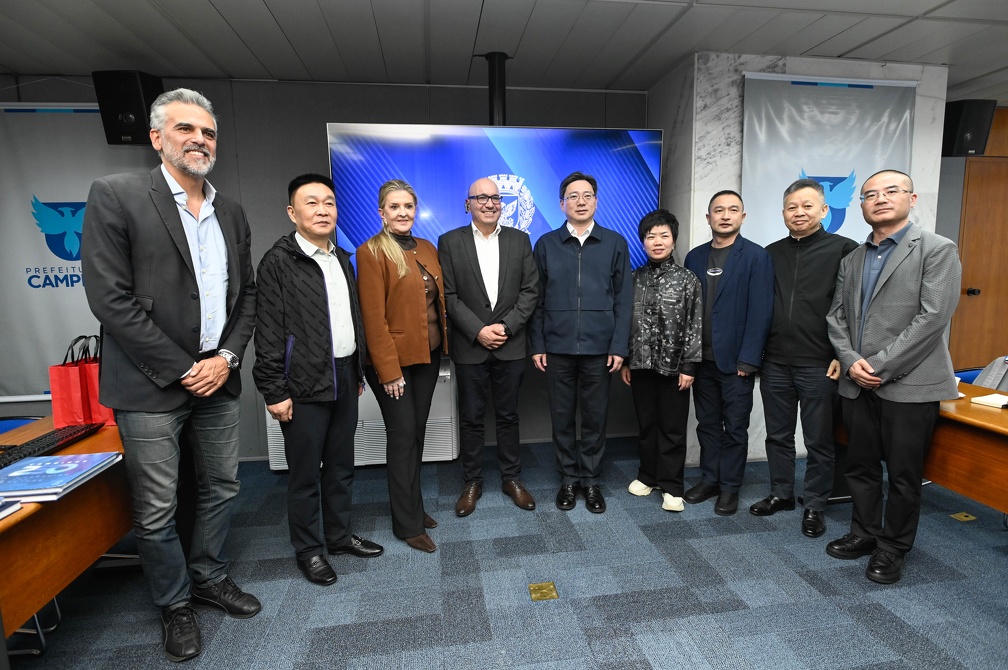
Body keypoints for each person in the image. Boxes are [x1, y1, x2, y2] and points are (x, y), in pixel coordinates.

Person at [81, 88, 259, 662]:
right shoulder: (117, 194)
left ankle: (207, 574)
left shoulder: (229, 210)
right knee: (156, 507)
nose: (199, 140)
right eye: (186, 129)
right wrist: (185, 368)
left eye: (208, 132)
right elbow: (110, 299)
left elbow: (247, 296)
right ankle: (175, 602)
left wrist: (226, 359)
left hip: (219, 375)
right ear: (157, 137)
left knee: (223, 487)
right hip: (150, 385)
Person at [826, 169, 961, 584]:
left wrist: (879, 367)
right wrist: (851, 362)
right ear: (861, 205)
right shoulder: (852, 258)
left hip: (909, 383)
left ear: (912, 198)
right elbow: (836, 317)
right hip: (856, 381)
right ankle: (864, 532)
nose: (879, 199)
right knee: (861, 466)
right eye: (870, 195)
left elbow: (933, 317)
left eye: (891, 191)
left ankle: (893, 547)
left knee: (903, 474)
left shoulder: (937, 249)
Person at [253, 174, 383, 587]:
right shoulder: (278, 262)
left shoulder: (342, 258)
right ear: (293, 213)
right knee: (306, 473)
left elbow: (353, 320)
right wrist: (274, 390)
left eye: (329, 202)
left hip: (345, 376)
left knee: (342, 465)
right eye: (311, 203)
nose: (323, 209)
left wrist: (359, 368)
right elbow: (268, 329)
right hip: (301, 383)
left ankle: (339, 536)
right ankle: (309, 550)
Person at [751, 179, 858, 537]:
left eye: (807, 206)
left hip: (820, 363)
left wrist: (841, 355)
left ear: (824, 210)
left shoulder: (845, 250)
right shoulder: (770, 253)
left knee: (818, 440)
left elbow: (855, 310)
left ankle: (814, 504)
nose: (799, 212)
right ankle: (781, 493)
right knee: (778, 436)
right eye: (792, 207)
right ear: (783, 213)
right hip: (775, 362)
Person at [529, 171, 632, 514]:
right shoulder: (545, 244)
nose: (580, 201)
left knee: (594, 418)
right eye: (573, 196)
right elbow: (535, 300)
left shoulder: (615, 243)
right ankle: (568, 480)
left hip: (599, 351)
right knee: (561, 418)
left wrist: (619, 346)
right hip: (556, 349)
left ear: (597, 201)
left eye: (587, 195)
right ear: (561, 204)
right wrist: (538, 344)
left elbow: (624, 299)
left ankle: (590, 482)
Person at [438, 177, 540, 517]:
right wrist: (478, 330)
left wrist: (507, 327)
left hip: (511, 345)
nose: (489, 203)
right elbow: (448, 296)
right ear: (468, 203)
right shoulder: (450, 242)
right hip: (470, 346)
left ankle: (511, 478)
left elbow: (530, 291)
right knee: (471, 418)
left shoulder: (520, 240)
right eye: (481, 197)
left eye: (495, 197)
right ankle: (472, 481)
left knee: (509, 416)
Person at [357, 179, 446, 553]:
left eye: (408, 206)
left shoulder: (426, 247)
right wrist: (388, 371)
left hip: (426, 357)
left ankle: (414, 506)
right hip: (392, 362)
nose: (402, 213)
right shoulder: (371, 251)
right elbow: (372, 319)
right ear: (382, 213)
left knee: (417, 434)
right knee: (403, 434)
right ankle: (406, 524)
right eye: (394, 207)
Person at [683, 190, 773, 516]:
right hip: (702, 360)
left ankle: (730, 488)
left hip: (736, 362)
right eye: (718, 210)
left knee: (734, 427)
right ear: (708, 218)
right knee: (706, 424)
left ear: (742, 217)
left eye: (732, 210)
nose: (725, 215)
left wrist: (749, 359)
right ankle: (709, 479)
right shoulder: (694, 257)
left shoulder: (756, 256)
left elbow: (761, 311)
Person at [620, 210, 702, 512]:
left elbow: (695, 324)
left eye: (663, 235)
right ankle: (648, 476)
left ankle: (671, 485)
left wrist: (689, 366)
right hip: (640, 366)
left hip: (674, 368)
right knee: (647, 424)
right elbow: (625, 322)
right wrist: (627, 360)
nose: (657, 242)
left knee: (672, 427)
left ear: (673, 240)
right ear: (642, 241)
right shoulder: (634, 278)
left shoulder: (687, 280)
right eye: (651, 236)